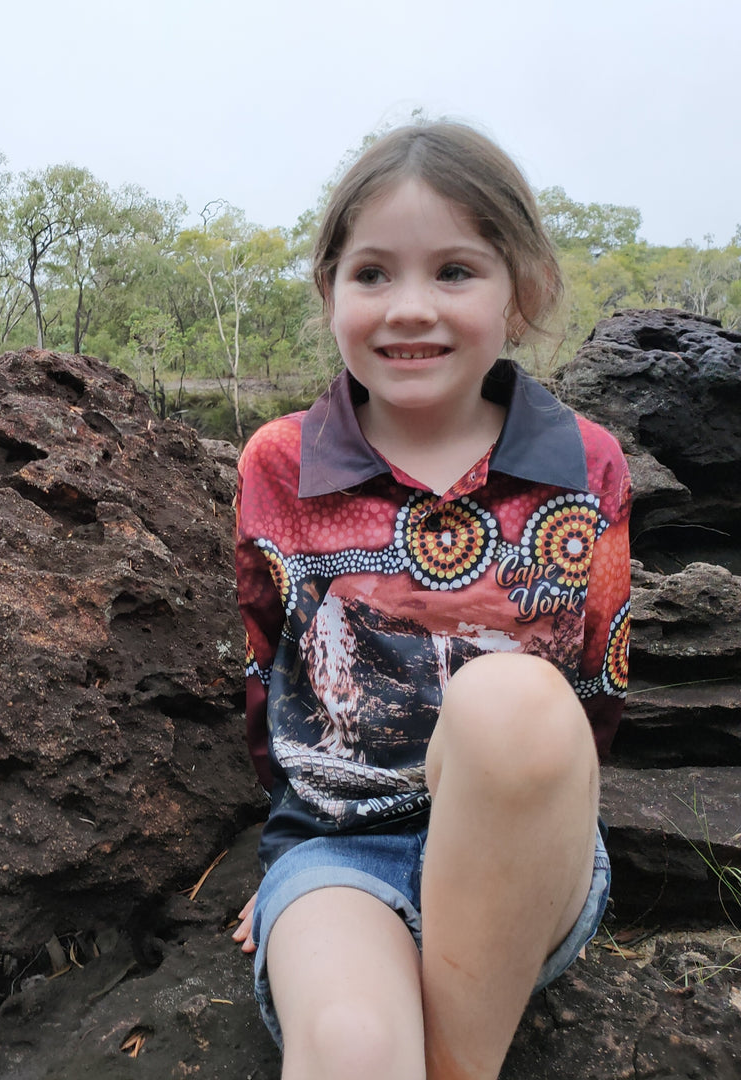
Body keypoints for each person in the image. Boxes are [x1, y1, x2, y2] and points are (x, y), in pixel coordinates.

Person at [231, 121, 631, 1080]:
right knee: (354, 1045)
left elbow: (598, 689)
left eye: (455, 271)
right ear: (330, 291)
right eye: (373, 273)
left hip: (519, 851)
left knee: (512, 698)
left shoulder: (584, 463)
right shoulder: (280, 463)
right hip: (338, 850)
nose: (410, 308)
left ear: (520, 290)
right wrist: (283, 874)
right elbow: (265, 673)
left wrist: (546, 830)